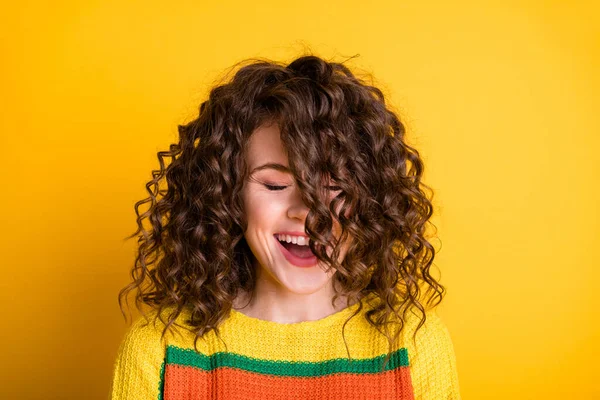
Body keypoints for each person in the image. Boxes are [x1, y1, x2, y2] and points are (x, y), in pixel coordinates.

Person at [109, 54, 462, 399]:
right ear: (229, 195)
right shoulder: (161, 349)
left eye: (335, 187)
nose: (308, 212)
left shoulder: (412, 343)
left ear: (368, 198)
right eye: (276, 185)